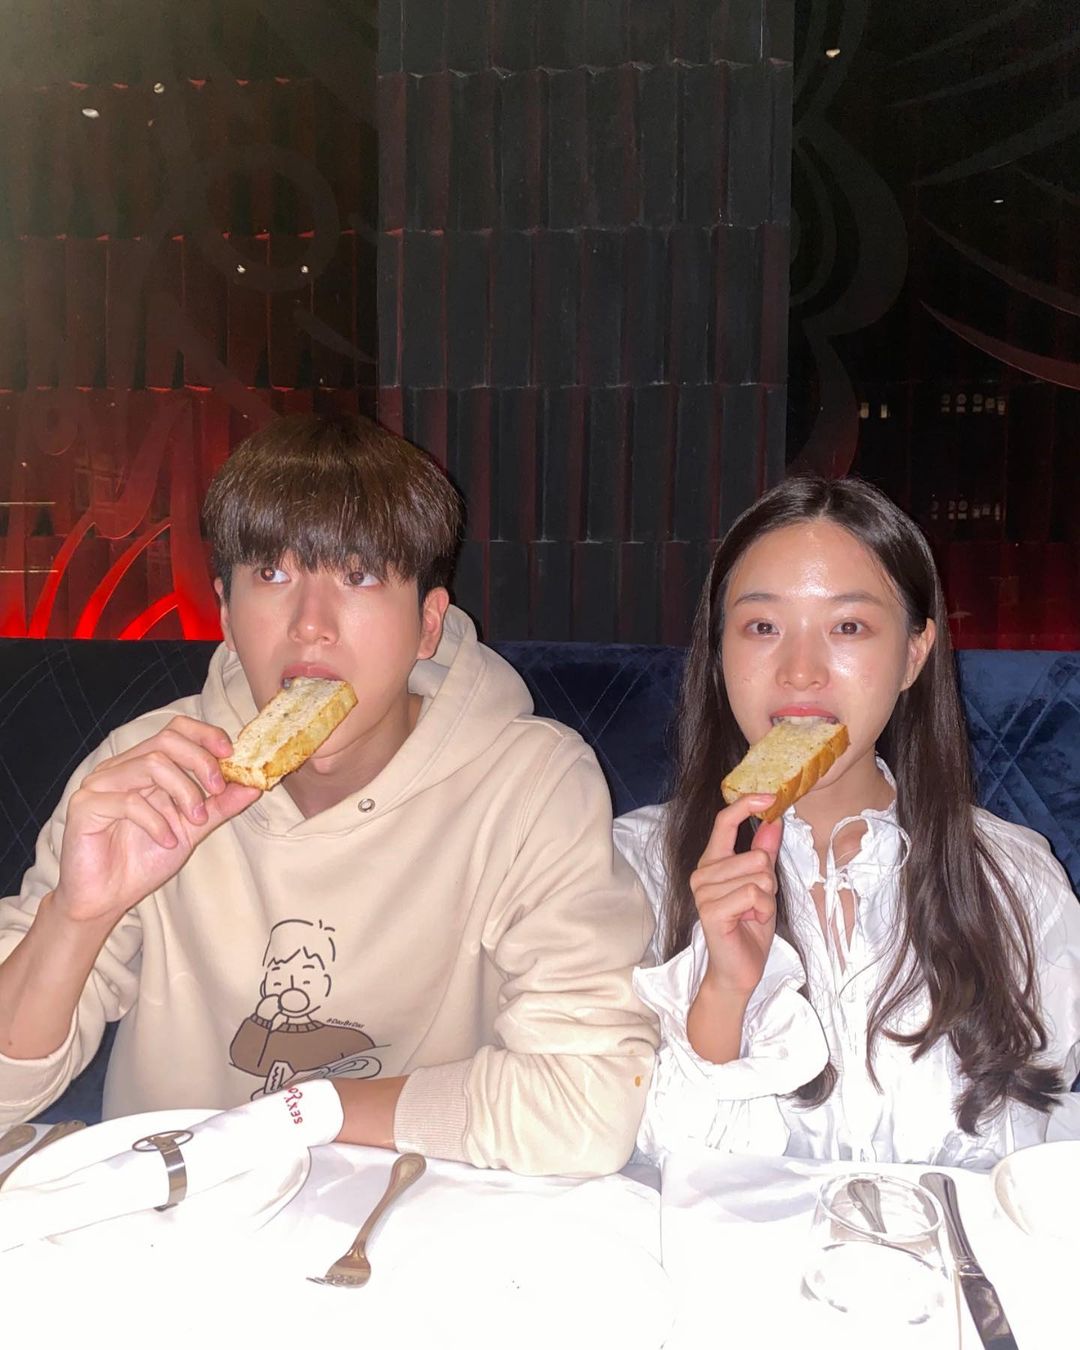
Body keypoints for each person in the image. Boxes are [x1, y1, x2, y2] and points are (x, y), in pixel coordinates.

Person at [0, 414, 657, 1176]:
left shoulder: (531, 787)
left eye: (359, 575)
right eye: (272, 576)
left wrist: (310, 1113)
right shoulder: (143, 777)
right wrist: (76, 919)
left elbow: (590, 1101)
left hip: (421, 1217)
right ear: (225, 613)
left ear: (428, 625)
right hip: (176, 1217)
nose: (310, 626)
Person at [616, 475, 1080, 1168]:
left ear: (914, 654)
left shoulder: (1015, 879)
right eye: (763, 627)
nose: (800, 671)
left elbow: (1040, 1153)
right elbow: (651, 1166)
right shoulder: (632, 869)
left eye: (848, 627)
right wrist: (724, 992)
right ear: (719, 652)